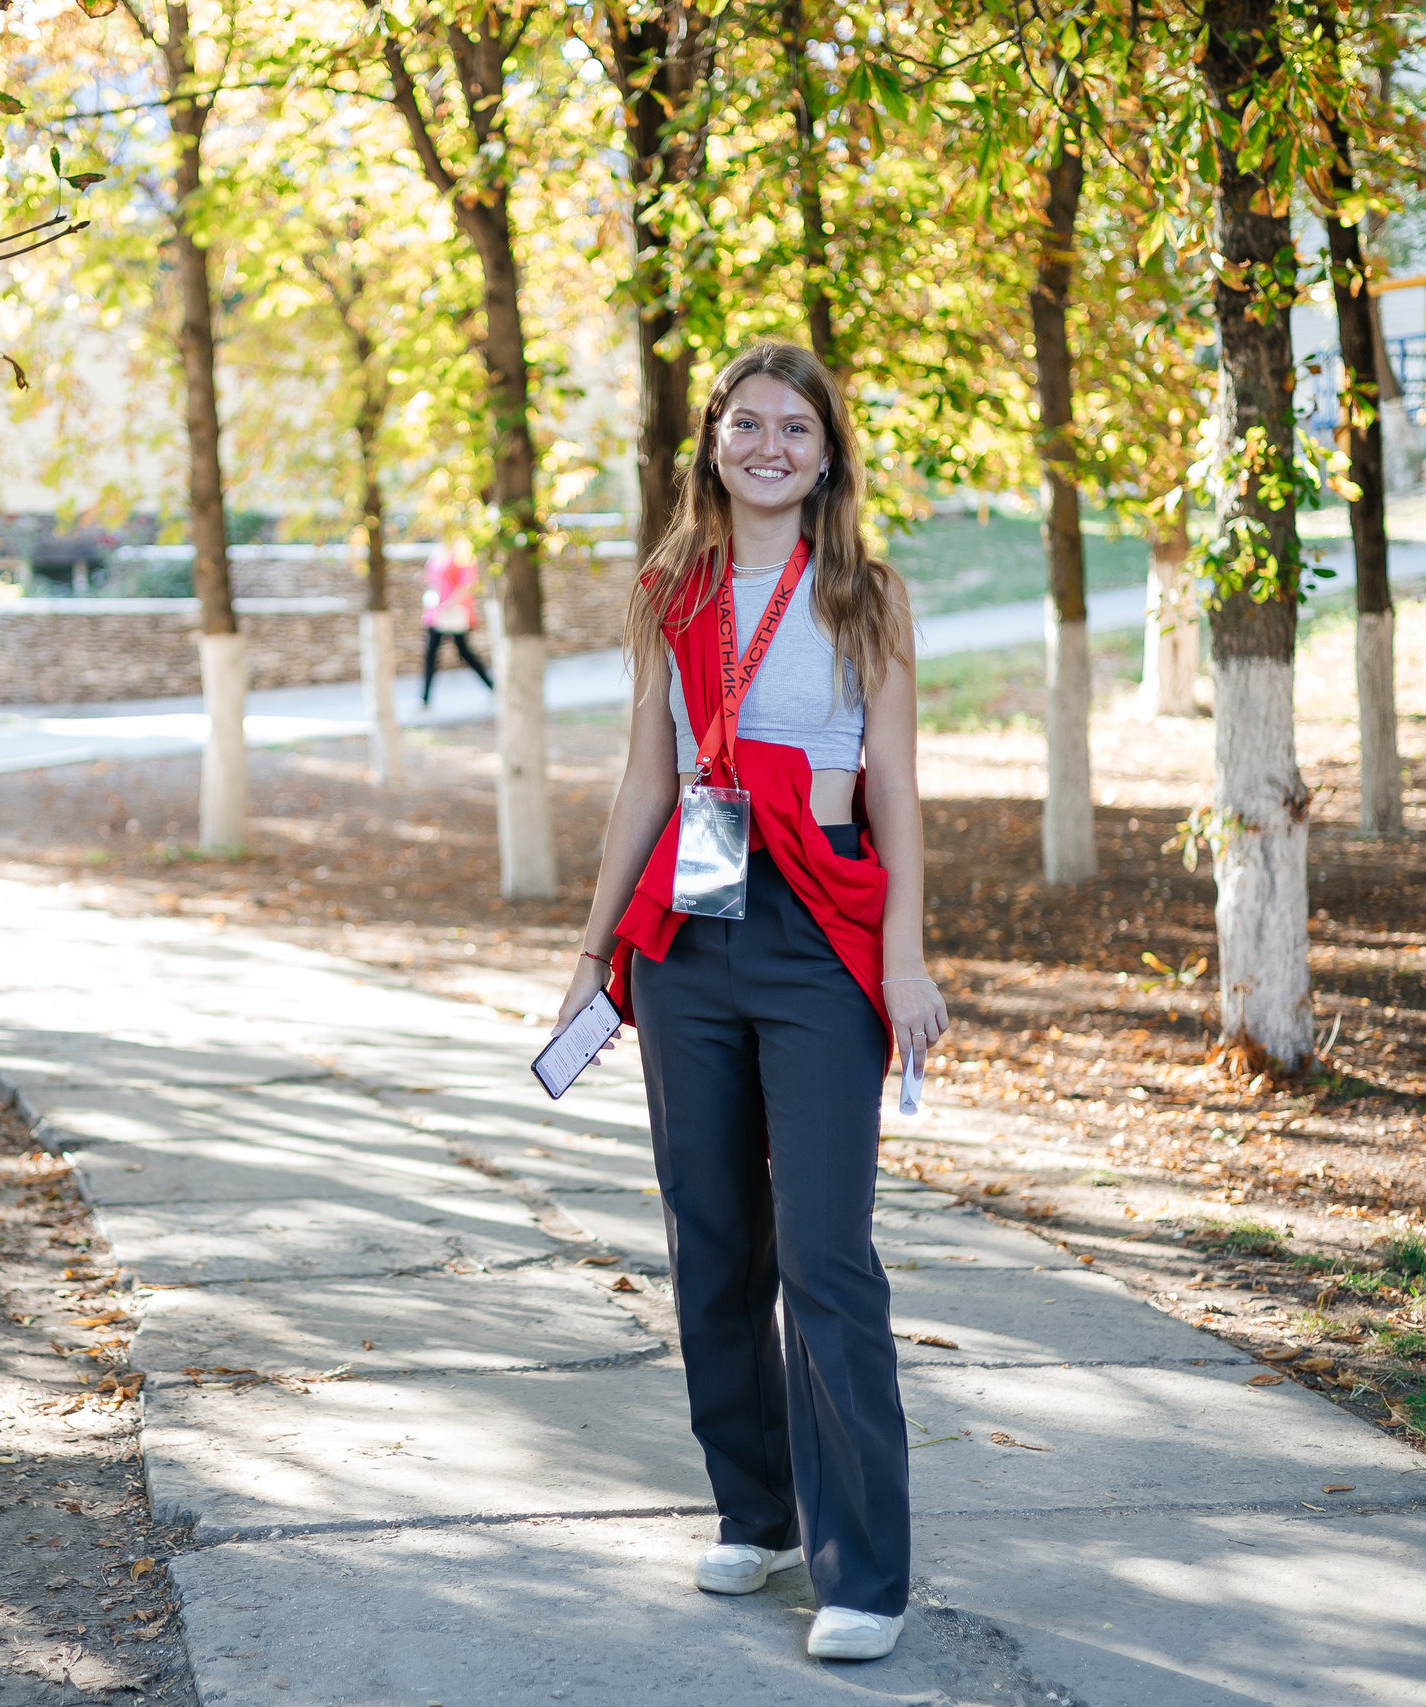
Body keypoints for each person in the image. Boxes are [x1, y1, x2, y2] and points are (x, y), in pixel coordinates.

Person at [549, 341, 948, 1665]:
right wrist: (593, 949)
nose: (769, 443)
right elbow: (644, 779)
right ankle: (755, 1507)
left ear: (828, 453)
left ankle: (864, 1572)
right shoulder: (672, 588)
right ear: (710, 438)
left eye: (797, 427)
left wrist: (906, 956)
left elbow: (894, 788)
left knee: (825, 1252)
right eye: (746, 422)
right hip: (692, 937)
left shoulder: (865, 596)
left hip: (822, 932)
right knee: (711, 1229)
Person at [418, 538, 494, 706]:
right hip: (436, 613)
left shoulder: (461, 552)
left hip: (454, 613)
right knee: (431, 653)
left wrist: (451, 603)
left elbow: (468, 583)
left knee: (464, 652)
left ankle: (492, 686)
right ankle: (424, 698)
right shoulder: (438, 551)